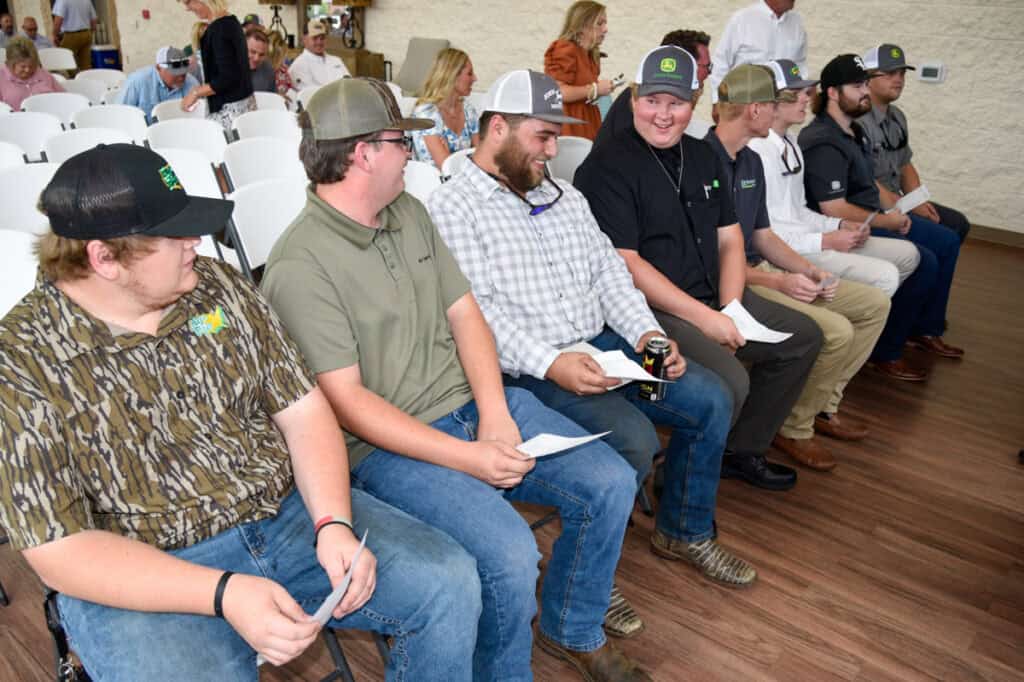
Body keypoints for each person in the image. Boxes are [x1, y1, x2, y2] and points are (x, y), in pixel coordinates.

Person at [0, 143, 481, 681]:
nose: (196, 244)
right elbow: (58, 548)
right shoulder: (22, 362)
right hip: (142, 566)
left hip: (284, 515)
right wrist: (224, 593)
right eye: (175, 235)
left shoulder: (216, 289)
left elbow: (303, 410)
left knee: (449, 584)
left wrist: (333, 523)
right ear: (104, 258)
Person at [261, 77, 647, 682]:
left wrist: (494, 413)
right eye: (400, 143)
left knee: (610, 481)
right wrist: (469, 457)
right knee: (511, 553)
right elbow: (350, 406)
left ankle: (572, 629)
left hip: (469, 407)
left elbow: (465, 313)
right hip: (387, 447)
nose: (412, 153)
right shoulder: (299, 265)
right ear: (364, 153)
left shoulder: (407, 211)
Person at [429, 69, 755, 595]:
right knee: (633, 439)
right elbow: (478, 314)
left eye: (556, 136)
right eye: (543, 135)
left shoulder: (563, 197)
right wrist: (552, 363)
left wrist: (648, 336)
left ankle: (683, 532)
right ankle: (586, 579)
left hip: (607, 349)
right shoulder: (452, 207)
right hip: (530, 370)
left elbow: (611, 275)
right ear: (497, 129)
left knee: (708, 398)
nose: (553, 150)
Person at [576, 46, 823, 491]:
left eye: (677, 103)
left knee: (803, 338)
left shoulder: (703, 154)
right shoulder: (605, 166)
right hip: (655, 308)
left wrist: (730, 308)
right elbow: (625, 265)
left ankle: (738, 451)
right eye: (652, 101)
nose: (663, 115)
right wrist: (707, 319)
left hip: (715, 293)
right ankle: (679, 477)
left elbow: (731, 238)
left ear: (695, 101)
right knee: (730, 382)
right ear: (633, 100)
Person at [708, 64, 889, 471]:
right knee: (830, 331)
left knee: (873, 304)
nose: (783, 108)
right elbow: (711, 260)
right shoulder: (705, 164)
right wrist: (779, 280)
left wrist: (808, 270)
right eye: (777, 101)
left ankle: (817, 407)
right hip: (735, 282)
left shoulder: (751, 162)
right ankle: (790, 427)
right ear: (755, 110)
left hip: (759, 268)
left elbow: (764, 235)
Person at [799, 54, 963, 381]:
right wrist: (888, 219)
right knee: (926, 258)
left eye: (865, 83)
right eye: (857, 85)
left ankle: (909, 332)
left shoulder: (852, 132)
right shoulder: (822, 141)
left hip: (870, 216)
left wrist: (895, 208)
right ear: (832, 92)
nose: (865, 92)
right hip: (843, 227)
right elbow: (834, 208)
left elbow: (880, 181)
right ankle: (886, 352)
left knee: (945, 236)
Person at [748, 59, 920, 297]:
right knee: (886, 276)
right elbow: (767, 234)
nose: (806, 98)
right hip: (790, 249)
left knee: (908, 254)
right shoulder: (758, 152)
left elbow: (799, 212)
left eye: (805, 91)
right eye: (795, 93)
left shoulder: (792, 143)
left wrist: (839, 225)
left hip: (807, 238)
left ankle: (866, 315)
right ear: (770, 101)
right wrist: (825, 240)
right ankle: (858, 313)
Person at [859, 44, 971, 244]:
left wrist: (918, 201)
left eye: (902, 73)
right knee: (944, 240)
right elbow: (862, 178)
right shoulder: (856, 120)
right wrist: (901, 206)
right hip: (871, 205)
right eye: (890, 73)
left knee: (957, 223)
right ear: (867, 78)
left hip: (897, 199)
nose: (899, 79)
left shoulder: (898, 117)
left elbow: (905, 164)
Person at [596, 28, 714, 148]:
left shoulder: (642, 93)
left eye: (676, 103)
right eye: (707, 66)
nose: (709, 73)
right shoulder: (640, 100)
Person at [708, 0, 806, 104]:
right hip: (745, 104)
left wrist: (802, 91)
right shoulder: (742, 19)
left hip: (783, 106)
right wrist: (718, 101)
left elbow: (799, 64)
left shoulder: (797, 23)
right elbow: (720, 63)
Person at [544, 1, 613, 140]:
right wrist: (595, 90)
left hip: (587, 122)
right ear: (581, 25)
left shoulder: (589, 53)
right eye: (599, 23)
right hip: (568, 126)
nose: (605, 29)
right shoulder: (565, 49)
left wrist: (599, 91)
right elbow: (558, 92)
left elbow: (581, 91)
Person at [181, 0, 255, 130]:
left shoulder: (218, 29)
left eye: (188, 2)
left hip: (229, 114)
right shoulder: (232, 22)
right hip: (245, 108)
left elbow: (226, 78)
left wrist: (195, 93)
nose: (187, 8)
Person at [411, 48, 480, 170]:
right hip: (432, 186)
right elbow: (446, 169)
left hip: (463, 182)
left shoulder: (468, 109)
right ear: (452, 75)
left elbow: (481, 157)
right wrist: (466, 160)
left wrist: (451, 157)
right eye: (469, 73)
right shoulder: (426, 114)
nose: (475, 78)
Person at [116, 46, 199, 123]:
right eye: (176, 73)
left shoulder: (192, 83)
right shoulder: (137, 81)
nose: (181, 77)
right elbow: (119, 114)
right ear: (159, 68)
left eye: (184, 73)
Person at [0, 36, 64, 111]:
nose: (27, 70)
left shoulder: (43, 74)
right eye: (23, 66)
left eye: (31, 65)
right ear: (10, 64)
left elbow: (63, 97)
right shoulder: (2, 78)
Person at [288, 18, 350, 91]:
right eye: (315, 38)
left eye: (322, 38)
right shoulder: (298, 66)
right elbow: (310, 95)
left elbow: (349, 85)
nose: (319, 42)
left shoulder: (337, 60)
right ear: (304, 39)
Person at [51, 0, 97, 71]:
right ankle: (87, 80)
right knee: (85, 64)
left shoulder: (62, 1)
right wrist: (90, 33)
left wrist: (54, 35)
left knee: (68, 64)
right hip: (86, 33)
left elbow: (58, 20)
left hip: (70, 35)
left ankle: (73, 81)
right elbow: (94, 19)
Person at [245, 25, 274, 93]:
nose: (256, 58)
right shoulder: (226, 68)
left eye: (262, 55)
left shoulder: (268, 69)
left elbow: (271, 95)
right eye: (252, 52)